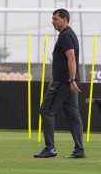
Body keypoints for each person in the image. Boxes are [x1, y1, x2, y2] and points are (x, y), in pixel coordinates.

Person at [34, 8, 86, 159]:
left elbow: (71, 58)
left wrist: (71, 80)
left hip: (64, 82)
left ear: (65, 19)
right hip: (65, 80)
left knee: (46, 111)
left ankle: (50, 148)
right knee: (74, 116)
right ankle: (79, 150)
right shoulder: (68, 34)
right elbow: (66, 60)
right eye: (52, 19)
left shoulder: (66, 36)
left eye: (55, 19)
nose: (53, 21)